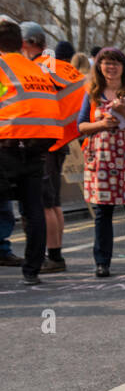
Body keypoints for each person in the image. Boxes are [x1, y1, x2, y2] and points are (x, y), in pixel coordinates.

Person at [0, 18, 74, 286]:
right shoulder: (34, 69)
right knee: (33, 208)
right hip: (41, 144)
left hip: (8, 142)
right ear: (19, 43)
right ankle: (31, 271)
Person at [77, 47, 125, 278]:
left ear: (124, 67)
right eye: (106, 63)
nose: (111, 67)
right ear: (99, 67)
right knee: (103, 212)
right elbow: (80, 127)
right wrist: (101, 125)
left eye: (116, 63)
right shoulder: (91, 94)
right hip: (102, 159)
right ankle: (102, 262)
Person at [28, 32, 86, 271]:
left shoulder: (37, 68)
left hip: (46, 141)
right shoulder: (60, 66)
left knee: (46, 203)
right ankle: (55, 254)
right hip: (60, 139)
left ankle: (54, 257)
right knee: (53, 201)